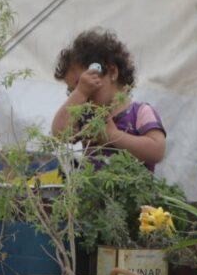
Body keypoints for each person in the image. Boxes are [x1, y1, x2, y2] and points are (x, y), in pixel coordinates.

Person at [51, 28, 166, 171]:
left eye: (86, 83)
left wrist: (113, 135)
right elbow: (59, 134)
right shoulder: (87, 117)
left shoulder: (140, 112)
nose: (84, 94)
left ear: (112, 72)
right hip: (92, 193)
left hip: (132, 192)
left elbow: (157, 151)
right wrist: (79, 93)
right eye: (72, 91)